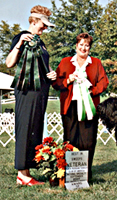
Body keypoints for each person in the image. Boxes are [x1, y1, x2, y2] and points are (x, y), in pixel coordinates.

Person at [5, 5, 57, 186]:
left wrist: (52, 73)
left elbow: (44, 66)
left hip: (40, 92)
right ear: (34, 21)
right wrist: (19, 45)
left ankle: (26, 171)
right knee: (24, 128)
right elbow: (10, 63)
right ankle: (22, 173)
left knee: (34, 129)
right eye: (43, 24)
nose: (45, 28)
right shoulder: (21, 37)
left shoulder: (40, 42)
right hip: (26, 91)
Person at [52, 33, 109, 181]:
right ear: (76, 46)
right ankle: (69, 174)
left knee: (88, 141)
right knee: (70, 140)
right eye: (81, 45)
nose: (84, 48)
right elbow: (56, 83)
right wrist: (68, 80)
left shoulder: (96, 63)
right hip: (69, 107)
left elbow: (104, 82)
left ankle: (85, 175)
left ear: (89, 48)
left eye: (87, 45)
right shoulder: (65, 62)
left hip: (89, 107)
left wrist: (92, 91)